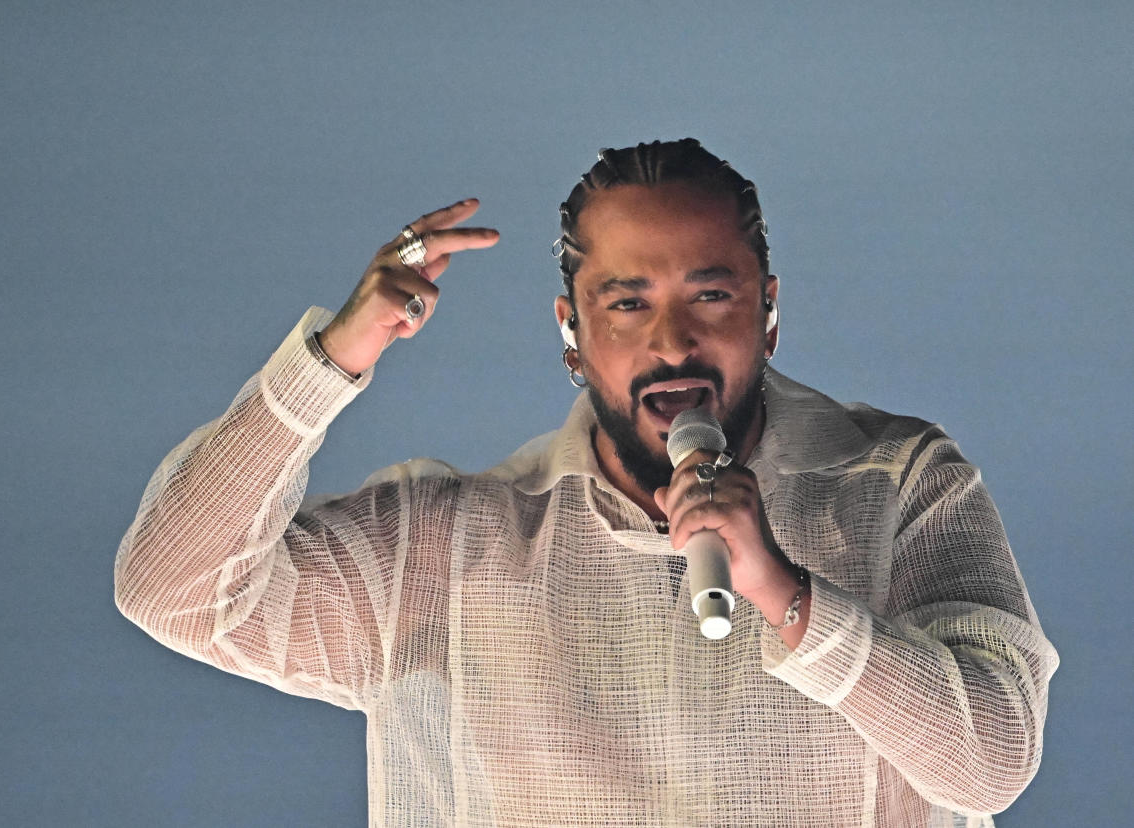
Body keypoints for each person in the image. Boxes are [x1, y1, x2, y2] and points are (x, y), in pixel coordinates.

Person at [115, 139, 1057, 826]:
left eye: (712, 294)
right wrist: (330, 361)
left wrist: (787, 594)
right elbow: (174, 592)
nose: (673, 342)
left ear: (769, 312)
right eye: (628, 303)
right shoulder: (452, 546)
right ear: (572, 332)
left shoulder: (899, 485)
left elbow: (993, 762)